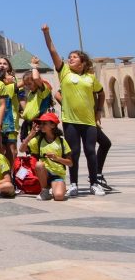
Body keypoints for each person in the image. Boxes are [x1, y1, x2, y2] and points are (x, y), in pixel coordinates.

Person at [42, 25, 105, 196]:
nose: (71, 59)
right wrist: (47, 33)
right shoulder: (64, 72)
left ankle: (94, 183)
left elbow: (101, 93)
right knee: (74, 152)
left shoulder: (90, 78)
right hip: (70, 121)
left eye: (75, 58)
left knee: (90, 151)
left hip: (88, 121)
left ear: (83, 63)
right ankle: (74, 184)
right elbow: (52, 51)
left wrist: (98, 110)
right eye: (69, 57)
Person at [21, 112, 71, 201]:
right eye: (40, 123)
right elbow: (21, 149)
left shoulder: (61, 141)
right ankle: (45, 190)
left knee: (59, 196)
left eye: (44, 123)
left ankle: (55, 186)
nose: (41, 125)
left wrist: (57, 158)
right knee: (39, 164)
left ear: (53, 125)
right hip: (44, 173)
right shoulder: (38, 139)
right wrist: (31, 135)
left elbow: (70, 163)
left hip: (57, 174)